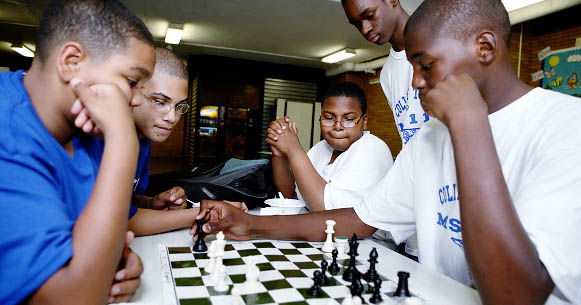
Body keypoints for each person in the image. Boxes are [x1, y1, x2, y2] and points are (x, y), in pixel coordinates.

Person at [192, 0, 581, 304]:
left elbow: (518, 295)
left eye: (426, 65)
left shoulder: (566, 128)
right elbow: (361, 220)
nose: (415, 82)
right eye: (412, 66)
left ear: (485, 47)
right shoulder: (429, 139)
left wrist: (469, 124)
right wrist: (254, 227)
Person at [0, 0, 156, 304]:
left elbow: (88, 238)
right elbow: (73, 298)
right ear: (71, 62)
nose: (137, 101)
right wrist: (124, 140)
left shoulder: (87, 127)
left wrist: (117, 261)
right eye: (132, 81)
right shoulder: (9, 135)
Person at [84, 46, 247, 236]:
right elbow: (116, 220)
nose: (172, 117)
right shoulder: (97, 137)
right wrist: (204, 212)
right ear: (133, 93)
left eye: (179, 106)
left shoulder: (143, 139)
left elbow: (122, 199)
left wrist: (151, 203)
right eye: (161, 102)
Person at [342, 0, 427, 256]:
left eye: (368, 15)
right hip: (416, 208)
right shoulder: (389, 70)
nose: (365, 29)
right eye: (357, 24)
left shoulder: (437, 43)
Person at [267, 82, 392, 211]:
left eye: (348, 119)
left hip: (349, 231)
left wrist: (293, 148)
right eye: (329, 118)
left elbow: (324, 210)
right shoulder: (321, 148)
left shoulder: (372, 149)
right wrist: (279, 154)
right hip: (315, 228)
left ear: (364, 122)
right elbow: (291, 198)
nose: (337, 126)